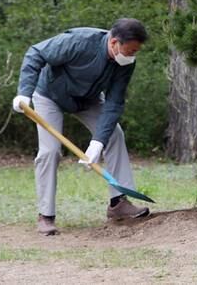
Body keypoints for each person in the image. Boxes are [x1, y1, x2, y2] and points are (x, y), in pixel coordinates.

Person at [12, 18, 151, 235]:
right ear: (114, 42)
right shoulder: (79, 41)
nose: (132, 56)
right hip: (49, 95)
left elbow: (114, 103)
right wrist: (24, 92)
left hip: (88, 99)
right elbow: (36, 53)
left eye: (136, 52)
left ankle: (118, 203)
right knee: (50, 151)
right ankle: (45, 215)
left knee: (114, 134)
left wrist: (97, 143)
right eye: (130, 50)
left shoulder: (125, 63)